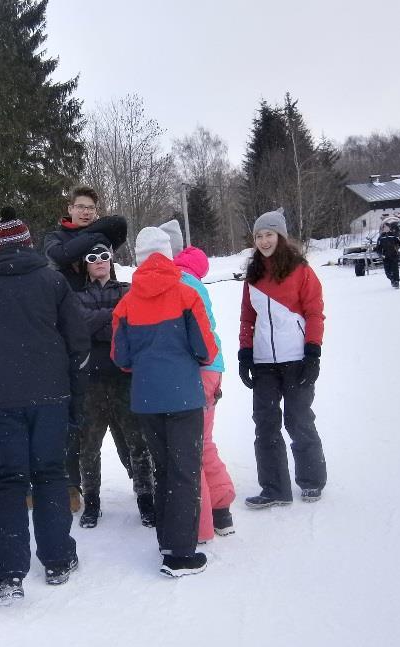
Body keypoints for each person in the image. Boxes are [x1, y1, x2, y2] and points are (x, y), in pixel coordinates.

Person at [0, 208, 89, 605]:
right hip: (50, 397)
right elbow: (78, 347)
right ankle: (58, 559)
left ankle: (8, 576)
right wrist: (75, 402)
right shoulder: (53, 282)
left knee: (9, 482)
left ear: (1, 249)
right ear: (28, 244)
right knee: (49, 476)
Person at [112, 227, 217, 577]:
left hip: (146, 399)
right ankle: (181, 554)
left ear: (140, 259)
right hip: (184, 396)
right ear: (169, 254)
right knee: (185, 471)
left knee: (163, 470)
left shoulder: (126, 302)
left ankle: (167, 541)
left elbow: (121, 357)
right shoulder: (186, 293)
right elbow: (206, 348)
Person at [43, 185, 127, 511]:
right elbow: (58, 256)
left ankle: (141, 479)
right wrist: (94, 236)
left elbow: (119, 223)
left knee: (121, 417)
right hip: (67, 330)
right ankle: (73, 485)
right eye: (80, 207)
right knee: (75, 416)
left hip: (104, 332)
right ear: (70, 208)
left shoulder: (99, 233)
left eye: (91, 208)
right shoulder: (55, 236)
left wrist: (91, 235)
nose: (86, 212)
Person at [239, 208, 327, 508]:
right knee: (265, 423)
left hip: (296, 358)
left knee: (298, 418)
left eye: (269, 234)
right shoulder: (253, 274)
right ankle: (274, 488)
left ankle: (312, 479)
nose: (264, 241)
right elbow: (247, 319)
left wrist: (313, 352)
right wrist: (245, 353)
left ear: (281, 236)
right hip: (264, 362)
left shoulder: (301, 270)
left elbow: (315, 312)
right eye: (259, 236)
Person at [161, 219, 236, 542]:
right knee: (202, 442)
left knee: (190, 447)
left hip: (197, 369)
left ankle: (200, 526)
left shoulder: (180, 281)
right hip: (209, 368)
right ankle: (221, 509)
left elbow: (189, 335)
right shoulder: (189, 277)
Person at [74, 242, 155, 529]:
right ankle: (92, 502)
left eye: (104, 256)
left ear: (111, 260)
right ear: (85, 263)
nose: (99, 261)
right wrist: (113, 318)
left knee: (137, 442)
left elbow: (132, 324)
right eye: (92, 257)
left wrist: (99, 324)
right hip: (91, 382)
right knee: (89, 446)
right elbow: (78, 327)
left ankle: (146, 498)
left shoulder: (127, 290)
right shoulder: (77, 295)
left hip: (125, 378)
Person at [375, 222, 400, 289]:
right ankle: (392, 280)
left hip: (394, 255)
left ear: (389, 228)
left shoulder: (394, 235)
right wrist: (380, 254)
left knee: (395, 269)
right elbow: (378, 249)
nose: (385, 228)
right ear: (382, 229)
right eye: (384, 227)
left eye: (387, 227)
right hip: (386, 257)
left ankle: (396, 282)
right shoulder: (381, 238)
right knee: (387, 272)